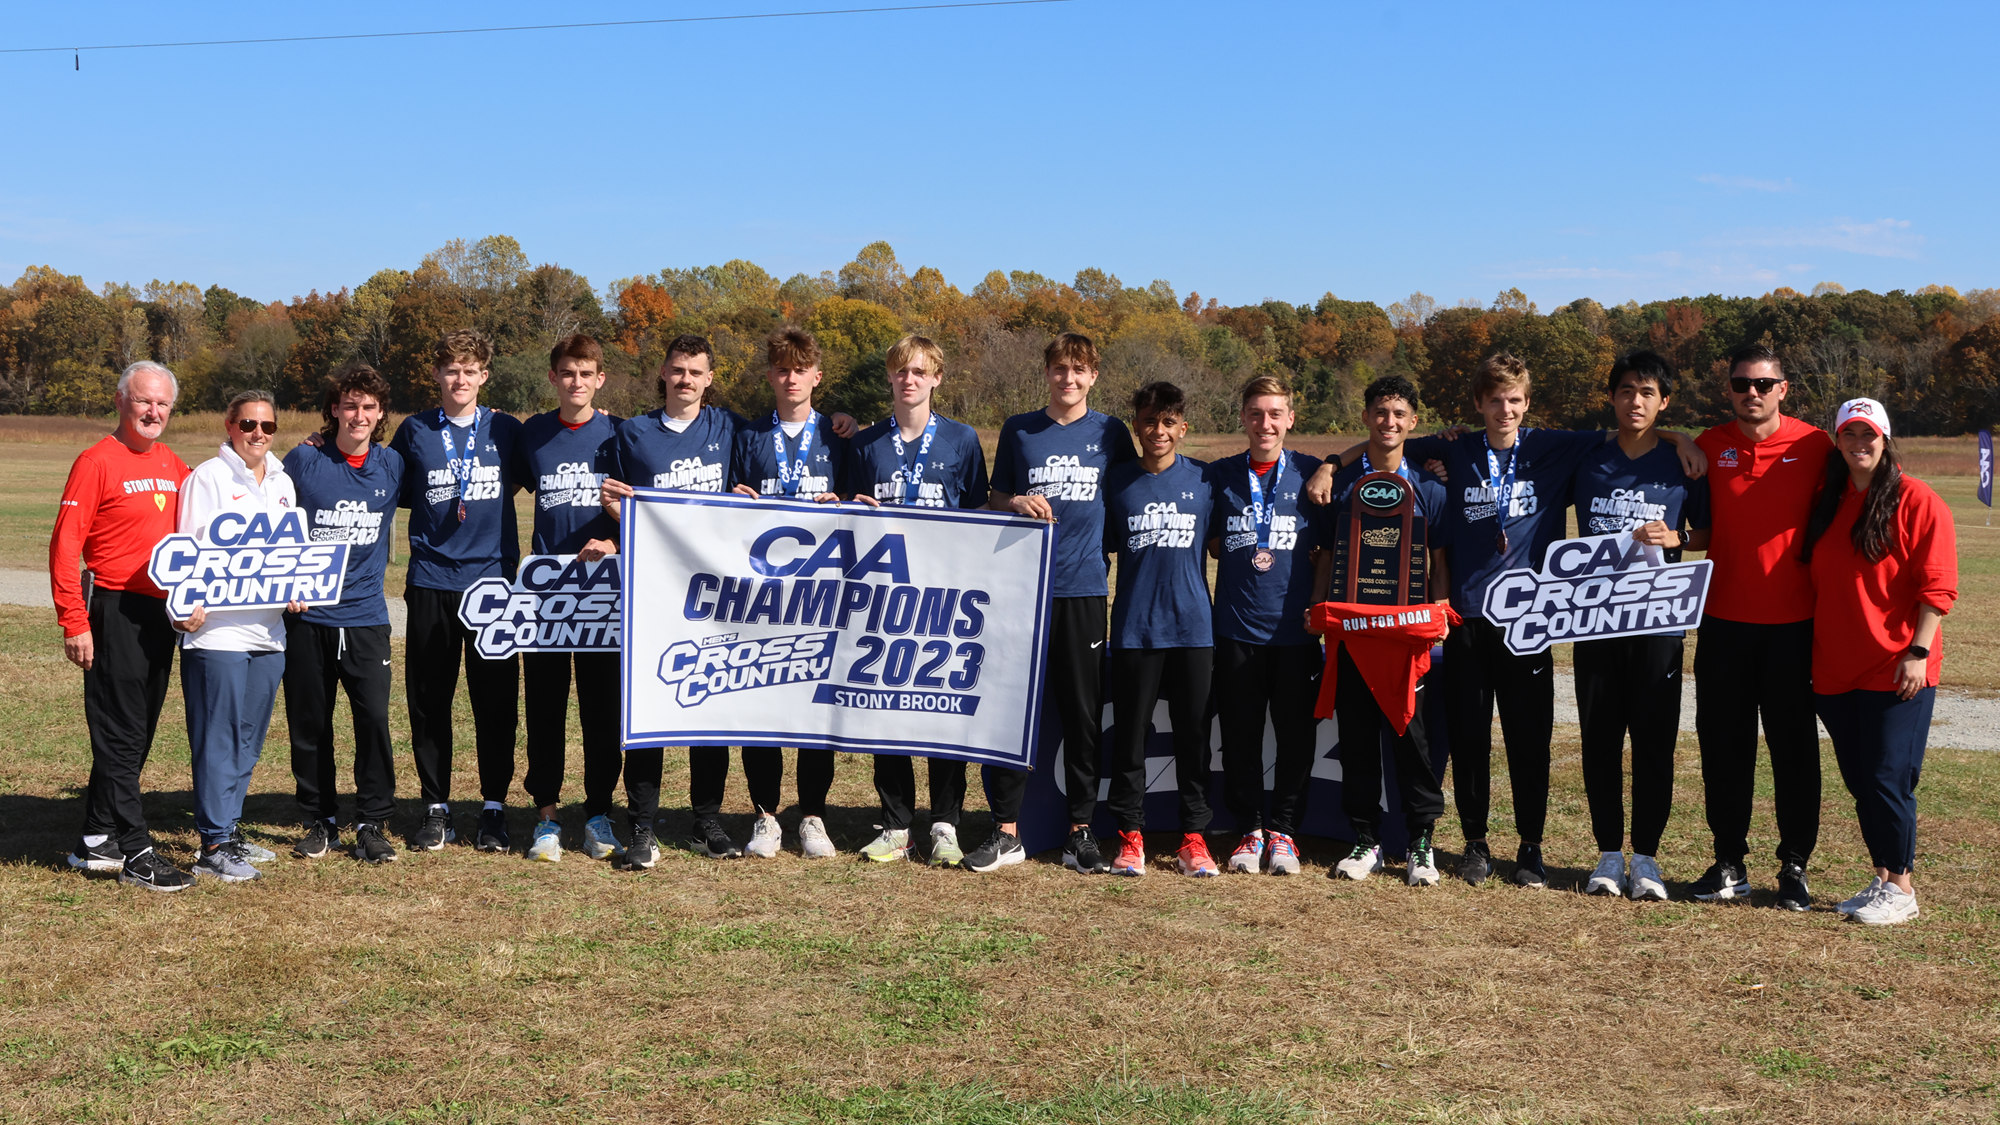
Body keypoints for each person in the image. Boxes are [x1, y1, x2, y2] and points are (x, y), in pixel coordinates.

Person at [1309, 352, 1703, 888]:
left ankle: (1530, 847)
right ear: (1478, 403)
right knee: (1471, 738)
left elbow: (1631, 428)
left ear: (1527, 403)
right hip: (1469, 617)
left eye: (1514, 400)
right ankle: (1475, 843)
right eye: (1494, 400)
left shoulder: (1551, 446)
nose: (1505, 410)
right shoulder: (1455, 447)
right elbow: (1385, 444)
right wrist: (1332, 463)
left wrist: (1682, 438)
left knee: (1529, 739)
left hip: (1530, 619)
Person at [978, 332, 1135, 874]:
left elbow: (1130, 494)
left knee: (1082, 714)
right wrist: (1015, 501)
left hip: (1084, 589)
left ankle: (1080, 830)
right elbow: (995, 495)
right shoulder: (1020, 429)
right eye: (1060, 368)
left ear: (1094, 376)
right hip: (1023, 590)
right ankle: (1006, 830)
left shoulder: (1111, 432)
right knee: (1011, 710)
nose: (1069, 378)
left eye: (1079, 370)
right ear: (1046, 373)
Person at [1689, 344, 1834, 909]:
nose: (1752, 392)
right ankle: (1729, 862)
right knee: (1723, 748)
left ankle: (1794, 865)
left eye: (1763, 384)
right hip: (1722, 623)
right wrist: (1677, 438)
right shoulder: (1708, 444)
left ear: (1783, 389)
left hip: (1793, 627)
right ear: (1728, 389)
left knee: (1793, 750)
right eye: (1741, 383)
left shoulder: (1815, 445)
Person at [1801, 398, 1956, 926]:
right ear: (1837, 440)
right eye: (1849, 434)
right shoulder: (1830, 499)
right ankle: (1883, 877)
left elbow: (1938, 586)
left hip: (1896, 666)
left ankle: (1902, 889)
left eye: (1868, 434)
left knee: (1889, 779)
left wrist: (1918, 652)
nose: (1858, 443)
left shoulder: (1917, 498)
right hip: (1835, 669)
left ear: (1885, 440)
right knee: (1862, 782)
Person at [842, 334, 991, 865]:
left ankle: (946, 824)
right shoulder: (865, 443)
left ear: (937, 379)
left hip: (945, 596)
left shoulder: (962, 439)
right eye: (901, 371)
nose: (910, 380)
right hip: (884, 597)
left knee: (943, 709)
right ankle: (896, 824)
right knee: (886, 710)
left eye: (920, 371)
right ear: (890, 376)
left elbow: (977, 513)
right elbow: (846, 514)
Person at [1570, 352, 1710, 901]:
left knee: (1654, 741)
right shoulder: (1588, 456)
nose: (1636, 401)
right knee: (1600, 739)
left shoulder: (1683, 463)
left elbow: (1709, 532)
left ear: (1664, 401)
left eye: (1648, 392)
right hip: (1596, 619)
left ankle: (1647, 857)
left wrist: (1677, 538)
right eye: (1626, 390)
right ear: (1611, 397)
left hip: (1658, 621)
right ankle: (1608, 854)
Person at [52, 361, 195, 891]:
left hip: (160, 614)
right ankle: (136, 851)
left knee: (136, 732)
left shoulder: (174, 464)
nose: (152, 412)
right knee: (118, 731)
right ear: (120, 401)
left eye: (162, 403)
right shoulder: (95, 461)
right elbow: (65, 545)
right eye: (143, 401)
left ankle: (96, 838)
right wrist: (74, 619)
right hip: (112, 609)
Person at [599, 334, 740, 861]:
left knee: (710, 707)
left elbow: (787, 430)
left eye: (695, 372)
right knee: (649, 710)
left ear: (710, 379)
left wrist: (841, 420)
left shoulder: (729, 428)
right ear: (663, 372)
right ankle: (642, 826)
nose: (685, 379)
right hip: (653, 590)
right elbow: (611, 499)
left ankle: (707, 821)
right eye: (677, 370)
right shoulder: (632, 433)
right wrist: (615, 517)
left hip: (714, 594)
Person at [389, 330, 525, 854]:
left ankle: (494, 809)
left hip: (493, 585)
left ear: (484, 375)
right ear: (436, 375)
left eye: (470, 370)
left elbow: (552, 466)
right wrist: (320, 443)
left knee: (496, 703)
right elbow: (383, 478)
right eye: (451, 369)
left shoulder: (507, 430)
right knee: (429, 701)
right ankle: (436, 808)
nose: (460, 379)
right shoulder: (415, 430)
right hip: (431, 581)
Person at [1315, 375, 1452, 885]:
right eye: (1379, 412)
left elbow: (1440, 560)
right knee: (1356, 739)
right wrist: (1318, 609)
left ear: (1413, 422)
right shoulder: (1342, 486)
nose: (1388, 422)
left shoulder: (1431, 487)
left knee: (1411, 741)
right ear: (1366, 417)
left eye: (1398, 414)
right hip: (1354, 636)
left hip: (1407, 639)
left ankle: (1421, 842)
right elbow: (1326, 555)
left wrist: (1440, 610)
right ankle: (1365, 839)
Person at [727, 327, 850, 860]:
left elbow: (860, 502)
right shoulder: (749, 435)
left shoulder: (840, 435)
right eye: (782, 369)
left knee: (815, 704)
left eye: (801, 370)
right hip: (763, 594)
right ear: (770, 376)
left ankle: (814, 815)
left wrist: (843, 501)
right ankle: (765, 815)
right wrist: (735, 498)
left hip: (822, 592)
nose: (791, 378)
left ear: (817, 377)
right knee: (762, 700)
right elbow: (726, 507)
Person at [176, 390, 304, 883]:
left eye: (267, 426)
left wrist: (299, 589)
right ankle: (212, 845)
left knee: (248, 740)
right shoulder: (208, 477)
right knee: (218, 740)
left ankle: (227, 829)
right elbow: (188, 549)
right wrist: (184, 609)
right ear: (230, 426)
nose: (258, 433)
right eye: (248, 424)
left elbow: (291, 554)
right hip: (217, 636)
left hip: (269, 634)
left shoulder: (283, 481)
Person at [510, 334, 627, 865]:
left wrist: (617, 542)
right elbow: (496, 480)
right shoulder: (532, 433)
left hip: (604, 594)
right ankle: (547, 816)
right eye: (567, 373)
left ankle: (599, 811)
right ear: (553, 377)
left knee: (603, 710)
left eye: (586, 373)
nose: (576, 382)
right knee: (545, 707)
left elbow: (644, 506)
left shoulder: (620, 435)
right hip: (548, 595)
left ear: (600, 379)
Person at [282, 364, 407, 864]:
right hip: (308, 618)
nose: (359, 415)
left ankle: (372, 822)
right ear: (334, 409)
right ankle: (320, 820)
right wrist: (285, 582)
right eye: (350, 405)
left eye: (369, 407)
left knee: (373, 719)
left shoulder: (392, 464)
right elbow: (270, 518)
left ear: (380, 414)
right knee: (310, 723)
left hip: (366, 616)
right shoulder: (304, 459)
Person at [1206, 376, 1324, 877]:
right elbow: (1212, 543)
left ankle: (1286, 832)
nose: (1265, 423)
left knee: (1296, 740)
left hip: (1296, 634)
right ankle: (1250, 829)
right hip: (1236, 632)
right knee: (1240, 739)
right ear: (1243, 418)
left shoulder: (1314, 473)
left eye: (1275, 413)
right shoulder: (1218, 476)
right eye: (1256, 413)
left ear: (1290, 418)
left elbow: (1329, 548)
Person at [1101, 381, 1219, 878]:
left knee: (1194, 738)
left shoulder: (1206, 480)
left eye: (1168, 422)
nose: (1158, 431)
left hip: (1194, 629)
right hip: (1135, 628)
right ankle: (1130, 836)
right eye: (1149, 421)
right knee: (1131, 739)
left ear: (1183, 428)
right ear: (1136, 426)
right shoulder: (1116, 481)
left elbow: (1223, 544)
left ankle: (1194, 837)